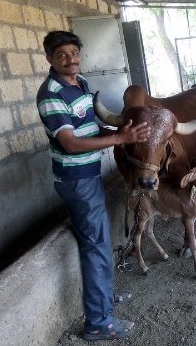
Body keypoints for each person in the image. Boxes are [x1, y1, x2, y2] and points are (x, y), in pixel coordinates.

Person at [37, 30, 151, 340]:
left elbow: (87, 125)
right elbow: (71, 143)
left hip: (88, 175)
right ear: (49, 58)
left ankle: (103, 299)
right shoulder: (51, 95)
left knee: (96, 243)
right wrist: (120, 138)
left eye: (74, 52)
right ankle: (98, 322)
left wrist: (116, 127)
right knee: (96, 247)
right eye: (61, 54)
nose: (70, 58)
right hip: (77, 180)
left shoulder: (80, 83)